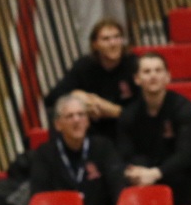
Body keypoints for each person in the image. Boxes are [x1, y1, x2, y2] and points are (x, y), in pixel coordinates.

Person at [117, 52, 191, 205]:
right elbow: (125, 153)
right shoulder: (129, 114)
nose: (153, 76)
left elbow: (186, 155)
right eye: (147, 71)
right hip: (145, 175)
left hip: (182, 176)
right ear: (137, 79)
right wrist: (136, 172)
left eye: (158, 70)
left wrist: (155, 174)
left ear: (168, 77)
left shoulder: (184, 108)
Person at [45, 17, 140, 148]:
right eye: (106, 39)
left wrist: (111, 109)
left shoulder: (133, 64)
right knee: (58, 112)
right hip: (93, 127)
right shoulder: (85, 65)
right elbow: (51, 98)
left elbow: (144, 107)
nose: (113, 43)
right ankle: (62, 156)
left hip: (125, 126)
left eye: (117, 37)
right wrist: (77, 96)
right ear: (95, 44)